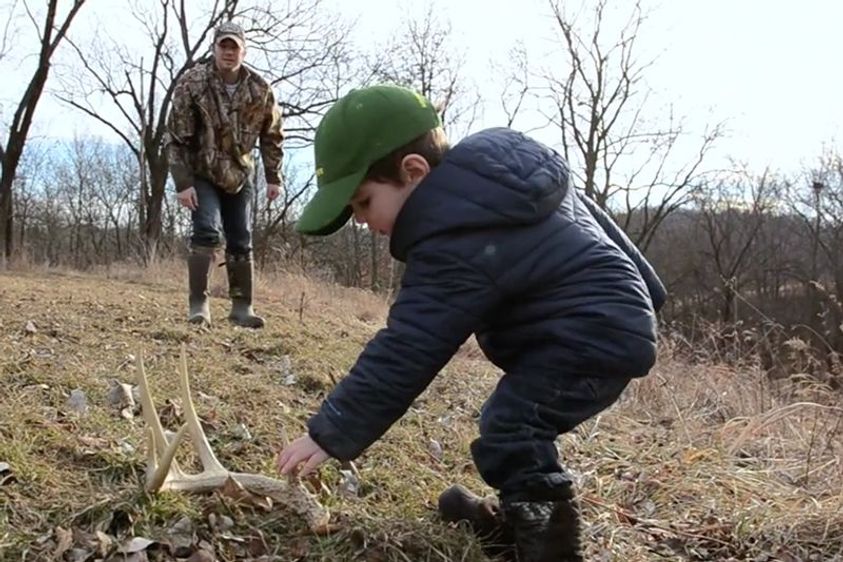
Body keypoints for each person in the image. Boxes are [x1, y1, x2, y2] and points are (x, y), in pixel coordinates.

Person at [277, 85, 666, 562]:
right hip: (608, 323)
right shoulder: (507, 177)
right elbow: (600, 229)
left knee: (512, 428)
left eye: (362, 202)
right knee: (514, 426)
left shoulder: (450, 235)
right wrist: (648, 297)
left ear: (413, 173)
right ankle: (520, 525)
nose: (360, 221)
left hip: (588, 335)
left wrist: (330, 431)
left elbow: (409, 346)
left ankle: (551, 550)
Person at [165, 21, 284, 328]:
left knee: (241, 239)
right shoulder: (193, 82)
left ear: (243, 51)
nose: (229, 52)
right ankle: (199, 305)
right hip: (201, 171)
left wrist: (273, 176)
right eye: (223, 46)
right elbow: (176, 137)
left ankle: (242, 307)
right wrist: (183, 183)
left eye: (235, 47)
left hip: (240, 175)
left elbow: (272, 135)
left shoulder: (260, 89)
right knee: (206, 231)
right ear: (215, 49)